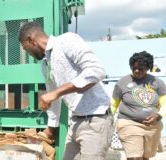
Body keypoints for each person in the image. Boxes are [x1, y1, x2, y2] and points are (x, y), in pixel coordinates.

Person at [19, 22, 113, 160]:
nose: (28, 54)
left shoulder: (66, 41)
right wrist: (50, 129)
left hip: (96, 119)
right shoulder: (45, 65)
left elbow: (96, 71)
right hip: (76, 121)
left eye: (25, 48)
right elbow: (53, 100)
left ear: (31, 40)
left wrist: (56, 93)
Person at [111, 51, 165, 160]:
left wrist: (158, 115)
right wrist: (108, 120)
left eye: (141, 68)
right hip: (129, 123)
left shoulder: (157, 82)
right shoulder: (122, 82)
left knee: (145, 157)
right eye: (133, 67)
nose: (136, 71)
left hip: (152, 127)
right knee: (135, 158)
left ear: (148, 67)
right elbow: (113, 104)